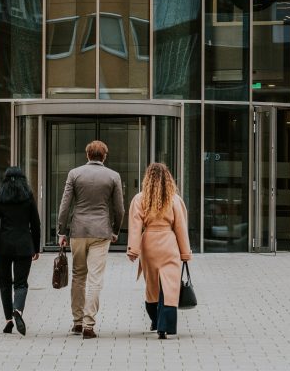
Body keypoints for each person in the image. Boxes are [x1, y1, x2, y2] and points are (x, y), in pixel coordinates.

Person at [57, 140, 125, 339]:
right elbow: (119, 208)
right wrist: (115, 230)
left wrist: (62, 232)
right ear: (104, 156)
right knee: (95, 278)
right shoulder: (113, 176)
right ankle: (89, 324)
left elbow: (64, 206)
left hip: (78, 231)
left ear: (87, 155)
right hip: (101, 232)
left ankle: (77, 322)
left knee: (78, 276)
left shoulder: (74, 174)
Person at [127, 163, 192, 340]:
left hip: (149, 244)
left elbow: (135, 226)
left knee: (152, 286)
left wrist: (133, 249)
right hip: (169, 244)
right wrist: (185, 253)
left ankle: (155, 320)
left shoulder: (140, 199)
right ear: (168, 179)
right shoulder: (175, 199)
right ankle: (165, 326)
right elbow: (180, 228)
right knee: (169, 288)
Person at [0, 167, 40, 336]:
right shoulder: (28, 197)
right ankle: (18, 310)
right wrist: (36, 248)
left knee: (4, 283)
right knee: (21, 283)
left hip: (3, 246)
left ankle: (8, 320)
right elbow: (35, 224)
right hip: (24, 245)